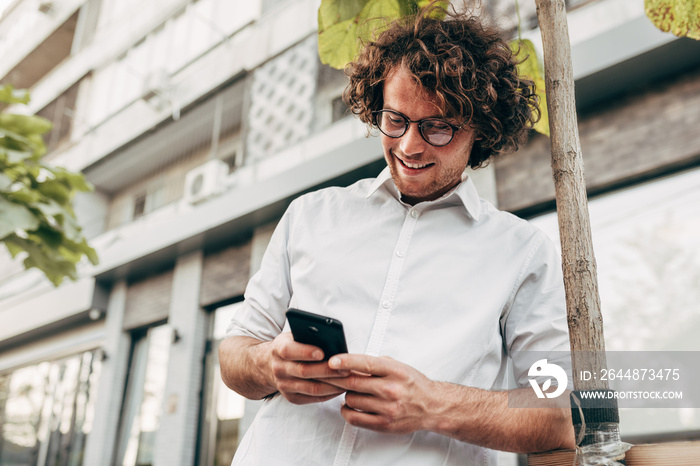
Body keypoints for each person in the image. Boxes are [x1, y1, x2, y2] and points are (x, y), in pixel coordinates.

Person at [219, 6, 575, 465]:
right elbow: (235, 353)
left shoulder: (524, 253)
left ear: (481, 129)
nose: (408, 145)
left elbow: (564, 415)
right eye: (396, 119)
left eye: (438, 127)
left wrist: (433, 404)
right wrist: (269, 363)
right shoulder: (309, 215)